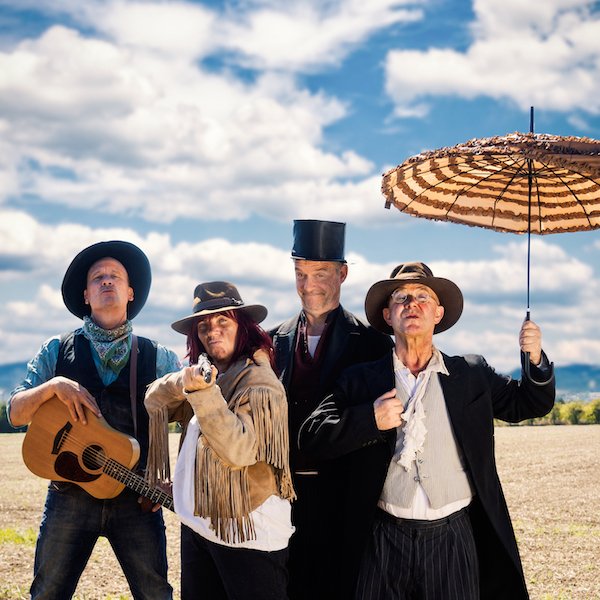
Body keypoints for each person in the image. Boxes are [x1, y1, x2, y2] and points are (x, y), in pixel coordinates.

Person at [299, 262, 556, 600]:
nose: (412, 303)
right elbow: (311, 435)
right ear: (388, 316)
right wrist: (369, 419)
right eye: (401, 297)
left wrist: (534, 357)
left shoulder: (471, 373)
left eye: (423, 296)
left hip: (452, 537)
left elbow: (530, 404)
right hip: (380, 537)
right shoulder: (361, 379)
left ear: (438, 313)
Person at [8, 240, 181, 600]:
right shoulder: (55, 350)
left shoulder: (159, 358)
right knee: (47, 594)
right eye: (97, 277)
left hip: (136, 500)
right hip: (68, 496)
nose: (106, 282)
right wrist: (51, 388)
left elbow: (194, 422)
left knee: (155, 594)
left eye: (115, 276)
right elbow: (15, 412)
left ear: (130, 292)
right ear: (85, 295)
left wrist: (173, 481)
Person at [143, 281, 296, 600]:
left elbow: (237, 450)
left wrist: (200, 391)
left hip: (248, 536)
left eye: (223, 321)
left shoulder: (259, 383)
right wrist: (182, 380)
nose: (212, 331)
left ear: (244, 327)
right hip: (201, 525)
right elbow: (154, 402)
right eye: (203, 325)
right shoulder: (210, 375)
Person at [270, 219, 393, 600]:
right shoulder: (272, 343)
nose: (309, 285)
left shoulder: (374, 345)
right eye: (300, 273)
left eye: (320, 272)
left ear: (342, 273)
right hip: (281, 499)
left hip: (346, 500)